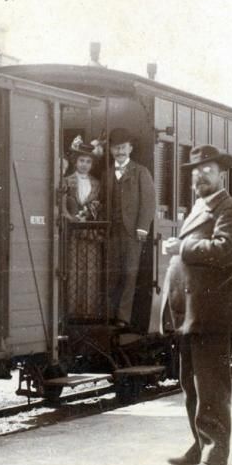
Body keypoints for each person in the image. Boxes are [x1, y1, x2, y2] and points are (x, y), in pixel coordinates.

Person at [161, 145, 232, 465]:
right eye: (195, 171)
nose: (200, 175)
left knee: (212, 387)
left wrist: (181, 247)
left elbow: (224, 250)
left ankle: (215, 455)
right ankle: (200, 444)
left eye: (207, 169)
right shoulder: (199, 206)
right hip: (191, 312)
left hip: (211, 313)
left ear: (221, 173)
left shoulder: (231, 209)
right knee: (191, 385)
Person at [104, 127, 156, 328]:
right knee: (111, 274)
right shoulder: (107, 174)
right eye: (116, 148)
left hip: (132, 232)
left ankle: (123, 317)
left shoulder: (141, 171)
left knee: (129, 274)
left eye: (123, 148)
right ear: (110, 150)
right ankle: (110, 313)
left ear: (131, 148)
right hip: (111, 231)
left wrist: (142, 228)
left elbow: (149, 202)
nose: (120, 152)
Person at [62, 140, 103, 319]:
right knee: (74, 270)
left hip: (90, 234)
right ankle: (72, 311)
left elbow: (99, 208)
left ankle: (89, 312)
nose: (84, 165)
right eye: (81, 161)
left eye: (88, 162)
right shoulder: (66, 181)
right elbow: (61, 206)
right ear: (75, 162)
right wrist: (72, 219)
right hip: (72, 233)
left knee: (90, 271)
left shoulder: (97, 184)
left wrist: (90, 216)